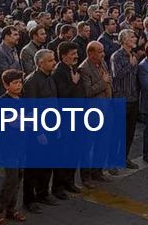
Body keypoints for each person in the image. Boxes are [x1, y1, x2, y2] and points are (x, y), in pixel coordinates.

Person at [22, 49, 61, 211]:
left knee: (48, 163)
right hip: (38, 132)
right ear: (40, 63)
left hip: (52, 127)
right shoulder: (31, 81)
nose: (54, 62)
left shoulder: (50, 78)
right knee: (33, 167)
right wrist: (39, 133)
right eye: (50, 60)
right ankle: (29, 200)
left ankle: (43, 193)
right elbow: (30, 111)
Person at [0, 69, 27, 225]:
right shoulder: (3, 102)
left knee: (18, 178)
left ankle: (11, 209)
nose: (18, 85)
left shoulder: (21, 99)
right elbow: (17, 122)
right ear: (6, 85)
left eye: (20, 82)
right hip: (8, 147)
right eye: (14, 83)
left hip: (21, 146)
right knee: (11, 180)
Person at [51, 42, 83, 198]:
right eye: (72, 54)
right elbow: (62, 95)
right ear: (63, 56)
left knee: (74, 151)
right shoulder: (58, 72)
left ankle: (70, 182)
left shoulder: (74, 69)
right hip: (65, 119)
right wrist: (74, 83)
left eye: (76, 53)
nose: (76, 56)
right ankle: (58, 187)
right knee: (63, 154)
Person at [79, 41, 113, 187]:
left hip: (106, 108)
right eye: (99, 52)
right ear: (90, 53)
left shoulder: (102, 63)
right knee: (87, 146)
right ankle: (86, 177)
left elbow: (108, 80)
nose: (102, 54)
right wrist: (103, 82)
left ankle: (97, 171)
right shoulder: (84, 69)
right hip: (92, 113)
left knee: (102, 143)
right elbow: (87, 91)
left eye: (103, 51)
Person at [110, 29, 140, 169]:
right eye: (132, 37)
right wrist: (131, 65)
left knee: (129, 133)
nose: (134, 39)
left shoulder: (132, 54)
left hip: (133, 98)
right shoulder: (117, 56)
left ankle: (124, 157)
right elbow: (117, 75)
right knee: (117, 133)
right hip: (121, 99)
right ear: (124, 40)